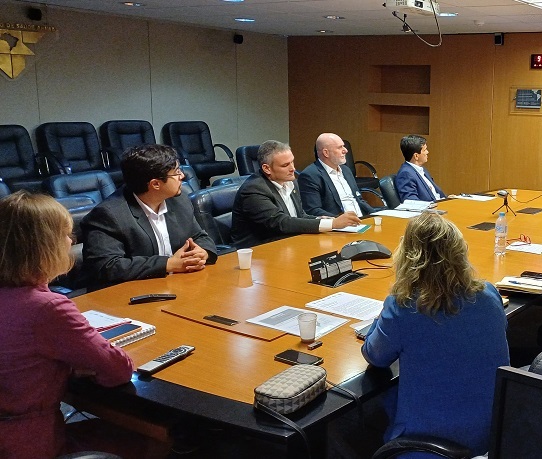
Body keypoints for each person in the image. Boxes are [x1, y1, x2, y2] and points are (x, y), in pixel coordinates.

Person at [362, 212, 509, 458]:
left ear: (407, 258)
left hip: (431, 441)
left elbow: (375, 357)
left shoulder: (403, 307)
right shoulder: (489, 294)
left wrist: (380, 319)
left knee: (352, 419)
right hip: (491, 430)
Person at [0, 191, 134, 458]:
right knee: (150, 439)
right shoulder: (47, 308)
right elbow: (118, 369)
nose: (70, 241)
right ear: (44, 245)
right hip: (30, 444)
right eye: (65, 233)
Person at [81, 144, 217, 287]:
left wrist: (203, 252)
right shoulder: (108, 215)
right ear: (155, 184)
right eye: (176, 172)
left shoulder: (179, 200)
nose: (182, 176)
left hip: (176, 285)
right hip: (128, 294)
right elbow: (108, 267)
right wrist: (168, 264)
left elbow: (199, 236)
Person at [231, 140, 361, 248]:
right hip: (259, 251)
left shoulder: (291, 182)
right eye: (285, 165)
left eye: (292, 161)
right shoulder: (254, 189)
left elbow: (299, 215)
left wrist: (325, 220)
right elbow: (281, 223)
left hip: (287, 243)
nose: (293, 168)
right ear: (267, 168)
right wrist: (333, 224)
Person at [298, 133, 376, 217]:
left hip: (362, 220)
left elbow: (359, 200)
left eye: (344, 146)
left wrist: (377, 214)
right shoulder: (310, 176)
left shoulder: (346, 170)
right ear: (326, 153)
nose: (345, 150)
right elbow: (313, 210)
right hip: (339, 226)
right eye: (340, 147)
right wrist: (340, 221)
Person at [395, 134, 447, 202]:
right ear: (416, 156)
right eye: (425, 150)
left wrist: (447, 199)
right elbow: (411, 202)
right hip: (430, 210)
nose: (427, 152)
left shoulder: (422, 169)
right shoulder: (406, 174)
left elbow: (435, 193)